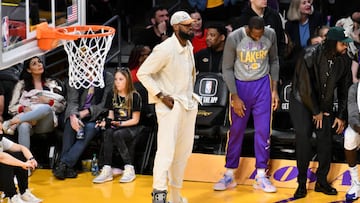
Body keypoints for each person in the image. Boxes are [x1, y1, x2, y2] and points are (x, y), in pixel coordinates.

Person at [137, 10, 199, 203]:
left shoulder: (188, 45)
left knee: (183, 153)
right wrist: (161, 95)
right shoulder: (165, 48)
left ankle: (175, 195)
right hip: (170, 106)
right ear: (175, 27)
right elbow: (143, 73)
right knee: (166, 151)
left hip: (188, 103)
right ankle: (159, 195)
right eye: (187, 25)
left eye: (192, 24)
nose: (192, 27)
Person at [214, 16, 280, 193]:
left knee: (263, 131)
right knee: (236, 130)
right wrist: (234, 96)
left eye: (261, 35)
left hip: (262, 86)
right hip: (240, 87)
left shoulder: (270, 34)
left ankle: (260, 175)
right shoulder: (235, 37)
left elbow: (274, 60)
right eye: (255, 36)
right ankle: (229, 174)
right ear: (248, 29)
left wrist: (274, 89)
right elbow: (227, 68)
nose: (259, 39)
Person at [289, 26, 353, 199]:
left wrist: (340, 115)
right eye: (342, 44)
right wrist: (315, 111)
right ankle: (302, 183)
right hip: (302, 100)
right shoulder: (309, 54)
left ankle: (321, 182)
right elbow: (304, 86)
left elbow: (344, 90)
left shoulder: (344, 60)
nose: (345, 47)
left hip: (323, 103)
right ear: (332, 43)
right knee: (303, 137)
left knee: (326, 138)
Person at [53, 71, 114, 180]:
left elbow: (105, 104)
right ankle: (68, 167)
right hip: (76, 113)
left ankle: (63, 164)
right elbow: (72, 101)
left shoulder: (107, 77)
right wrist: (73, 116)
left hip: (95, 116)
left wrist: (87, 112)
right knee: (70, 125)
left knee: (90, 128)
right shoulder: (76, 76)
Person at [92, 68, 142, 184]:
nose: (117, 82)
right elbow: (111, 116)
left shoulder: (135, 96)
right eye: (115, 79)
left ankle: (129, 168)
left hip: (131, 127)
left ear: (127, 81)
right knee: (108, 132)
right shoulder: (112, 95)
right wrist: (105, 122)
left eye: (121, 79)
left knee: (118, 134)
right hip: (117, 125)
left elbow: (135, 120)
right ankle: (107, 169)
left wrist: (120, 124)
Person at [4, 56, 66, 149]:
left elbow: (62, 106)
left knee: (45, 108)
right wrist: (23, 108)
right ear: (29, 70)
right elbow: (11, 108)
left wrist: (49, 101)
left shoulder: (52, 83)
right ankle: (27, 160)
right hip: (28, 120)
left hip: (46, 123)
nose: (39, 64)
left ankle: (12, 122)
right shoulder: (21, 85)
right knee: (23, 126)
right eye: (34, 63)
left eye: (39, 62)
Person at [0, 122, 42, 203]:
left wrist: (31, 158)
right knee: (5, 162)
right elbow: (2, 157)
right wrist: (23, 164)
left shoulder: (2, 140)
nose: (1, 132)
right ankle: (11, 196)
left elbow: (21, 148)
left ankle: (24, 192)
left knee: (19, 154)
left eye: (1, 129)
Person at [343, 82, 360, 201]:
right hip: (359, 127)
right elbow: (353, 116)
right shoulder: (355, 88)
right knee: (349, 135)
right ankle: (355, 183)